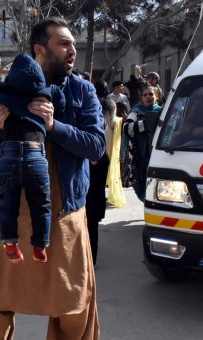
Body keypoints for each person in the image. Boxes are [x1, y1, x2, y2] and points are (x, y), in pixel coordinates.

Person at [0, 17, 105, 339]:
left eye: (73, 43)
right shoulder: (5, 91)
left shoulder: (82, 90)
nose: (73, 49)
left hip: (62, 215)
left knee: (73, 305)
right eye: (64, 43)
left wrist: (54, 126)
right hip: (8, 214)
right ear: (40, 49)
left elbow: (97, 145)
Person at [0, 53, 65, 263]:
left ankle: (10, 244)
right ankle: (40, 245)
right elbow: (61, 101)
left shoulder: (1, 90)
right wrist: (51, 106)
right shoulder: (45, 92)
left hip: (9, 155)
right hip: (37, 155)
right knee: (41, 205)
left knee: (7, 205)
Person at [85, 81, 115, 265]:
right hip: (98, 155)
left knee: (91, 211)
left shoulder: (95, 109)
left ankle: (90, 258)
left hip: (96, 158)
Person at [123, 85, 162, 201]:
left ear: (157, 97)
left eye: (151, 94)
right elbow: (126, 128)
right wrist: (145, 124)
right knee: (142, 181)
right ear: (142, 98)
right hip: (140, 154)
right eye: (145, 95)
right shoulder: (136, 111)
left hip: (159, 153)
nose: (148, 97)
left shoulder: (163, 111)